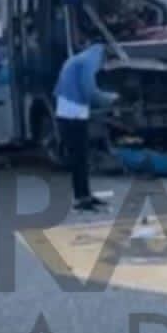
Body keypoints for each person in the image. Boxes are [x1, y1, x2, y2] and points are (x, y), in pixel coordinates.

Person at [53, 41, 119, 211]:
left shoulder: (78, 59)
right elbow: (89, 91)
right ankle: (82, 199)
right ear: (105, 54)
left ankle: (84, 195)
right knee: (80, 159)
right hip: (73, 115)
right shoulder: (90, 61)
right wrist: (110, 99)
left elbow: (58, 90)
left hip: (67, 113)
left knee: (80, 158)